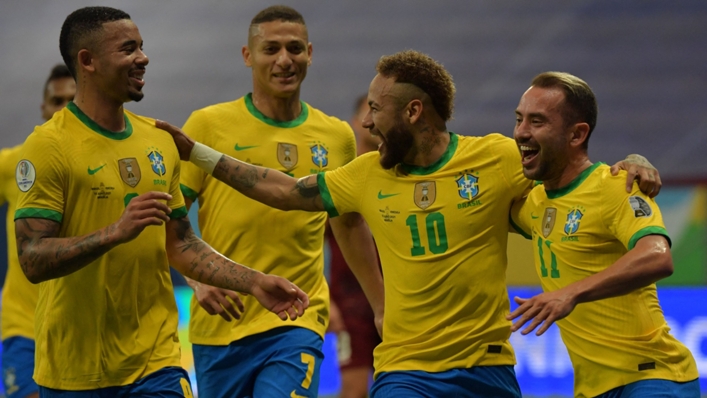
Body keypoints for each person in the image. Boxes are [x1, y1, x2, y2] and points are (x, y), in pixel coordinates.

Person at [158, 50, 661, 397]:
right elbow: (285, 191)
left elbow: (574, 175)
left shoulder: (496, 158)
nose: (368, 123)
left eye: (376, 109)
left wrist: (634, 162)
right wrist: (198, 153)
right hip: (405, 370)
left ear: (415, 111)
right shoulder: (365, 174)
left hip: (487, 365)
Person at [14, 6, 308, 397]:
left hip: (157, 363)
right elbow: (32, 258)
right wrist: (115, 233)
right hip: (73, 372)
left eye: (142, 47)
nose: (143, 58)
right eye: (128, 49)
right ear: (88, 61)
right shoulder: (48, 146)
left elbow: (181, 243)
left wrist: (253, 281)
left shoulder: (158, 141)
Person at [178, 6, 383, 398]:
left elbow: (349, 226)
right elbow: (168, 218)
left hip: (297, 319)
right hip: (222, 324)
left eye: (294, 49)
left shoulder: (336, 135)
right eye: (271, 49)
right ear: (247, 56)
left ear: (310, 52)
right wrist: (197, 279)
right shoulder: (208, 125)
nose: (284, 60)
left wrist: (382, 307)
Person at [507, 72, 700, 398]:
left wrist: (569, 293)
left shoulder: (616, 186)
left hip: (652, 377)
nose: (522, 132)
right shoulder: (532, 203)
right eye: (519, 119)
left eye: (537, 121)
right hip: (592, 389)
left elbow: (658, 255)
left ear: (576, 134)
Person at [0, 64, 75, 398]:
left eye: (73, 100)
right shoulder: (16, 165)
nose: (64, 110)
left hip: (80, 331)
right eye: (57, 101)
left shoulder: (113, 164)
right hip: (24, 326)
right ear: (43, 109)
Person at [326, 94, 381, 398]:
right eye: (367, 113)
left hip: (398, 302)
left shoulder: (402, 177)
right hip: (350, 306)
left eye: (379, 112)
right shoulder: (340, 180)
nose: (372, 121)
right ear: (353, 124)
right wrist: (326, 300)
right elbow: (310, 242)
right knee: (354, 389)